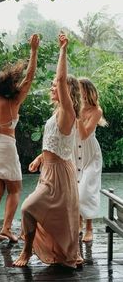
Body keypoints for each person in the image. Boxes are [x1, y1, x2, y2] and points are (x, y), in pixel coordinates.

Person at [13, 33, 83, 268]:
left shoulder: (68, 112)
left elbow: (62, 79)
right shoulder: (57, 114)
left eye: (55, 86)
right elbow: (58, 142)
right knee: (49, 215)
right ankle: (32, 250)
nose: (52, 87)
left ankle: (27, 251)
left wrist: (62, 50)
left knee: (28, 208)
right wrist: (40, 157)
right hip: (50, 171)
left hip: (60, 175)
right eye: (52, 86)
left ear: (67, 91)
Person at [0, 34, 39, 242]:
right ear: (11, 86)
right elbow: (29, 77)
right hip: (4, 146)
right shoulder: (13, 102)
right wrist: (33, 51)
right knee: (14, 190)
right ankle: (6, 228)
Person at [73, 77, 107, 242]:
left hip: (90, 154)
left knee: (87, 191)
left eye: (80, 89)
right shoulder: (71, 107)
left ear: (87, 91)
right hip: (73, 151)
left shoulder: (96, 111)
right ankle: (78, 224)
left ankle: (89, 228)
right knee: (75, 191)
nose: (78, 92)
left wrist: (77, 114)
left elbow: (84, 134)